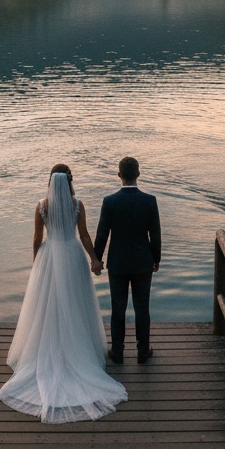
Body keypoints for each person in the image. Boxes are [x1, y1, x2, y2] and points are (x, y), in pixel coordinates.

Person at [0, 164, 127, 423]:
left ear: (49, 181)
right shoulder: (77, 205)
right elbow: (85, 236)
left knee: (47, 307)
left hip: (49, 258)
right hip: (72, 256)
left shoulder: (42, 206)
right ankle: (79, 351)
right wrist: (94, 259)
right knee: (76, 305)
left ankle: (46, 350)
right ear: (69, 181)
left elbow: (36, 239)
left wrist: (37, 265)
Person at [94, 156, 161, 365]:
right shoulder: (149, 201)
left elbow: (102, 234)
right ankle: (142, 351)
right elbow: (155, 235)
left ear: (119, 175)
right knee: (142, 308)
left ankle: (118, 352)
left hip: (118, 264)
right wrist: (156, 258)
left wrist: (97, 258)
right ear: (138, 174)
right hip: (143, 263)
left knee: (118, 308)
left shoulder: (110, 202)